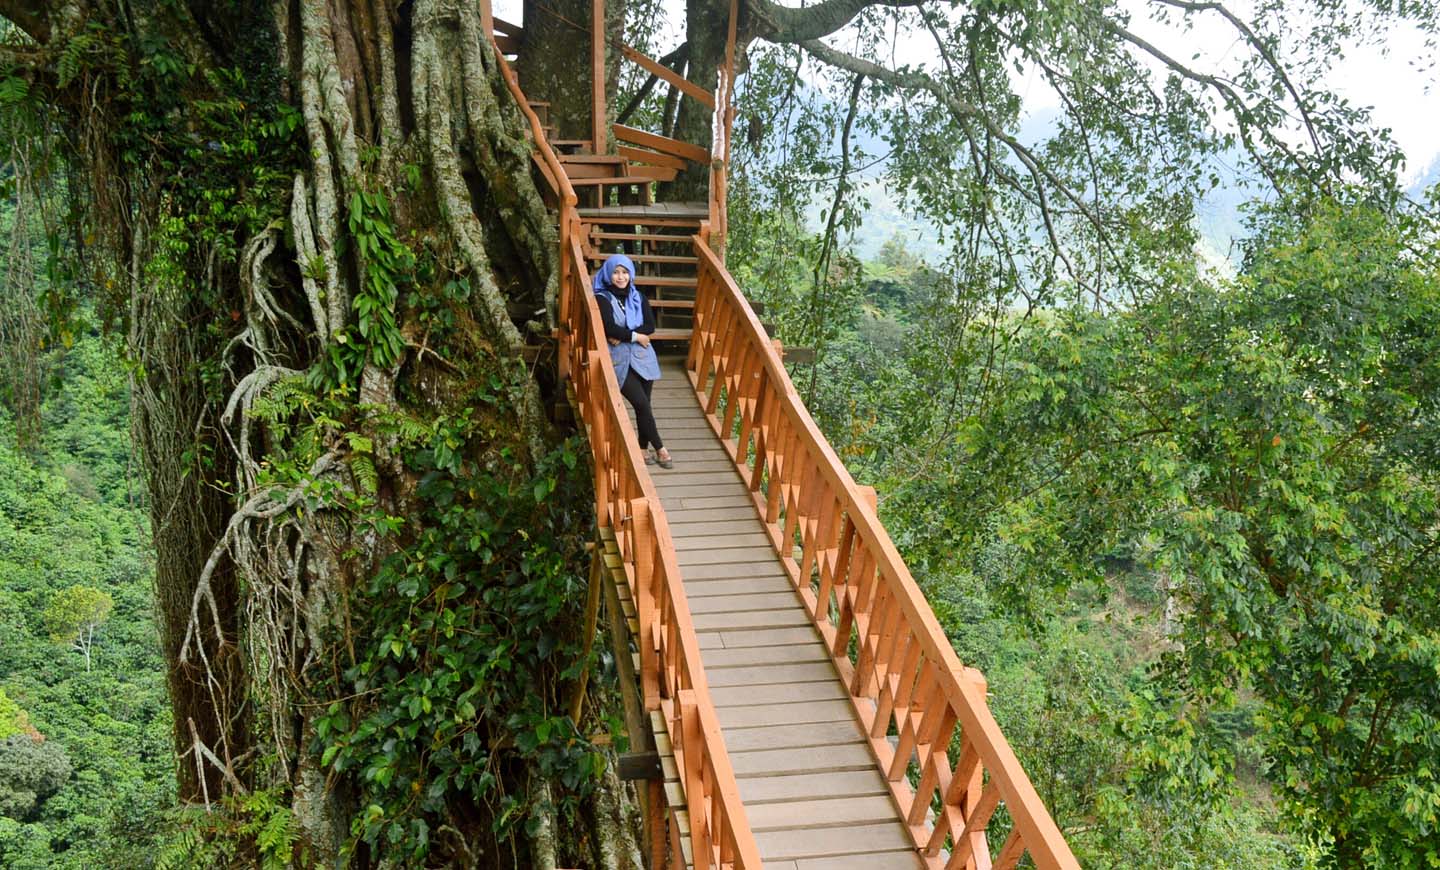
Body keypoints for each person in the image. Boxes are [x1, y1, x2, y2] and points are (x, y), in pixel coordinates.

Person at [594, 253, 674, 468]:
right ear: (608, 274)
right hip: (619, 359)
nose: (621, 277)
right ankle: (660, 448)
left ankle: (641, 447)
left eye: (625, 272)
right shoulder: (602, 298)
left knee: (644, 405)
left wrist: (624, 335)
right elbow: (609, 328)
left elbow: (650, 326)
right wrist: (635, 336)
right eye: (616, 272)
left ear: (631, 274)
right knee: (641, 403)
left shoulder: (638, 297)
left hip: (643, 357)